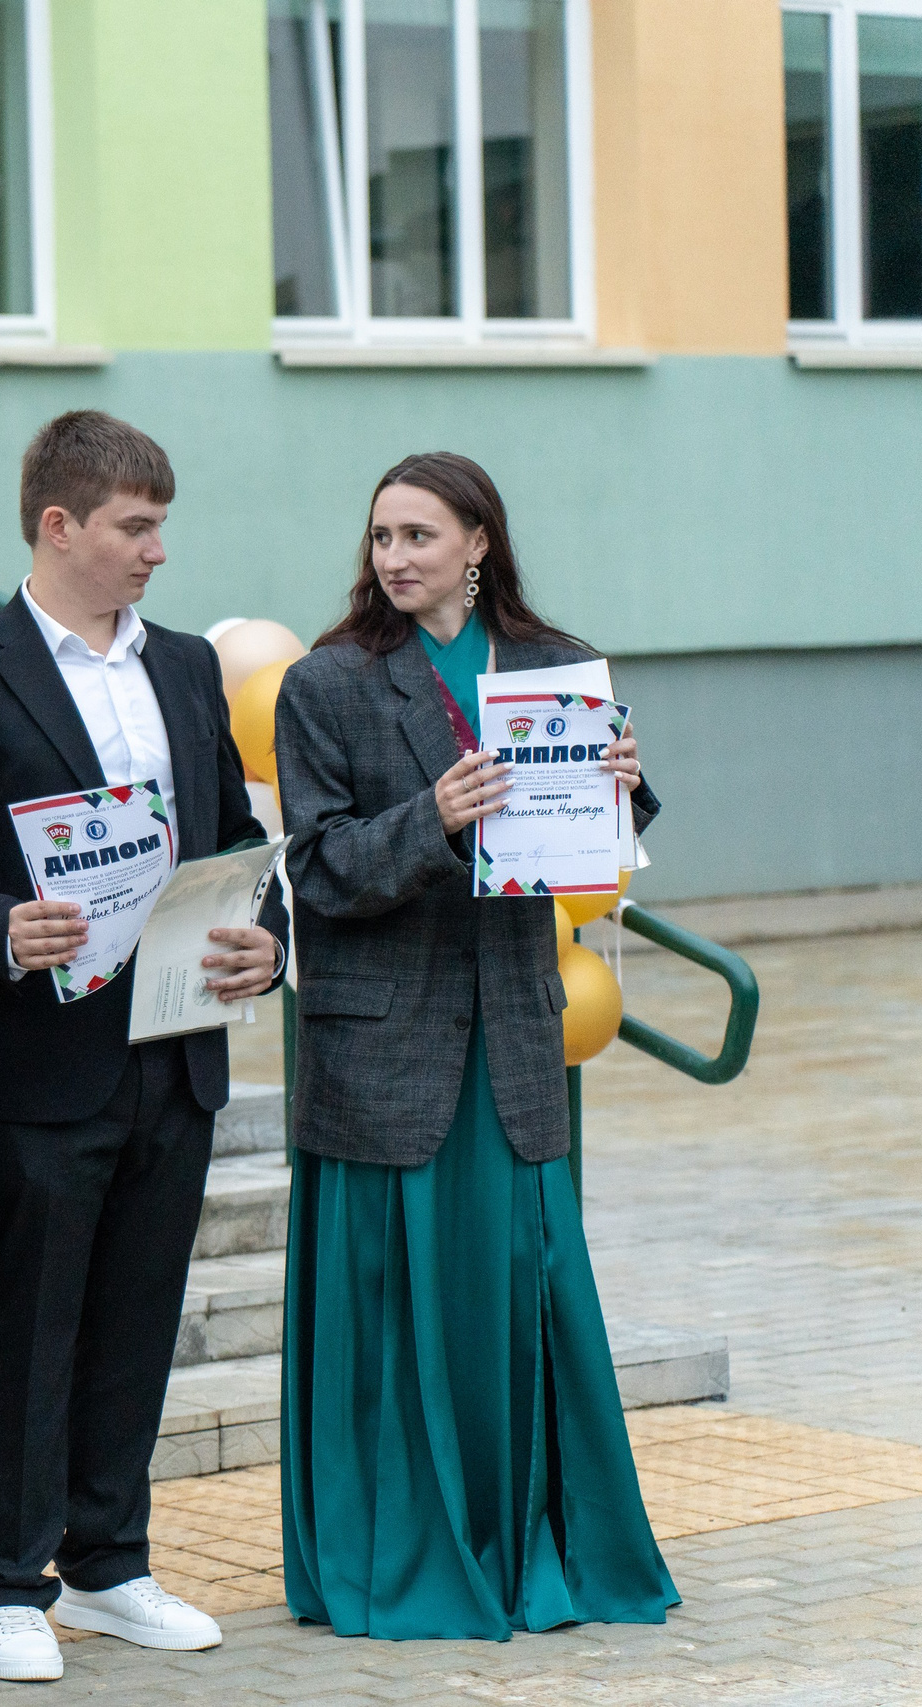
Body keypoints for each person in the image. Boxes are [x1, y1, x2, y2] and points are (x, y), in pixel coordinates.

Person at [0, 412, 286, 1683]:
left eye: (159, 524)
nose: (156, 551)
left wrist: (263, 938)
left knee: (136, 1317)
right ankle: (6, 1581)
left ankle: (111, 1564)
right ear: (59, 526)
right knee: (31, 1324)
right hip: (37, 1064)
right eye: (135, 526)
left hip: (173, 1050)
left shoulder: (183, 667)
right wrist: (3, 926)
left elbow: (236, 843)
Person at [273, 452, 676, 1640]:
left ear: (478, 544)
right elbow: (319, 869)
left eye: (419, 536)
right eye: (381, 536)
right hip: (380, 1051)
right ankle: (390, 1558)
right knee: (392, 1315)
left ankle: (540, 1548)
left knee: (518, 1297)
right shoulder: (328, 682)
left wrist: (627, 787)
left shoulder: (555, 668)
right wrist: (431, 820)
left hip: (509, 1038)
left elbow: (599, 847)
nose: (395, 557)